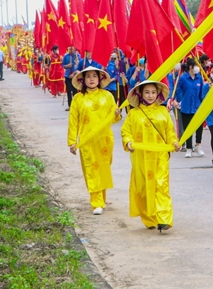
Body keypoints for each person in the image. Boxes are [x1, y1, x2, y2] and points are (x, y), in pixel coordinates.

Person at [121, 80, 181, 230]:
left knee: (161, 185)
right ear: (140, 94)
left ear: (158, 94)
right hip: (140, 157)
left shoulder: (163, 112)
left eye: (153, 92)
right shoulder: (133, 114)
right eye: (147, 92)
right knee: (143, 187)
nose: (150, 95)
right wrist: (128, 142)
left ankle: (164, 218)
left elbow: (169, 131)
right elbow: (126, 132)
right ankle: (149, 219)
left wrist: (174, 142)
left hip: (160, 155)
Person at [67, 66, 121, 215]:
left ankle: (101, 199)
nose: (91, 79)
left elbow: (114, 119)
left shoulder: (107, 96)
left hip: (105, 140)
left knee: (103, 168)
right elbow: (73, 121)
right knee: (92, 169)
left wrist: (117, 114)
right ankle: (96, 202)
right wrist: (72, 141)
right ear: (83, 80)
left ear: (100, 79)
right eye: (88, 76)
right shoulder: (78, 98)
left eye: (94, 76)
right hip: (87, 141)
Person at [173, 57, 205, 158]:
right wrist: (177, 101)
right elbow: (178, 90)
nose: (197, 68)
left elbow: (201, 92)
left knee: (199, 127)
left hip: (197, 106)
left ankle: (198, 145)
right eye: (195, 65)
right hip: (186, 107)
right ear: (191, 67)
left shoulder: (199, 78)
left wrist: (203, 102)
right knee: (187, 128)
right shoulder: (183, 78)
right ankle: (189, 148)